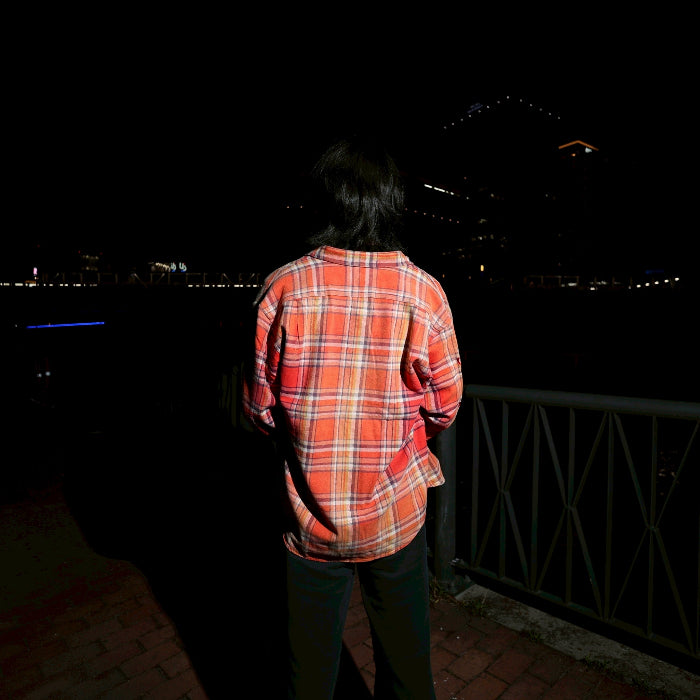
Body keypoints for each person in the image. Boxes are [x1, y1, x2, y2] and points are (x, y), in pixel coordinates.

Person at [243, 136, 463, 699]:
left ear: (326, 201)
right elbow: (445, 406)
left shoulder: (282, 288)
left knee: (309, 671)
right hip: (394, 510)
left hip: (309, 517)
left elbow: (259, 410)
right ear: (389, 204)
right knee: (407, 663)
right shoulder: (424, 293)